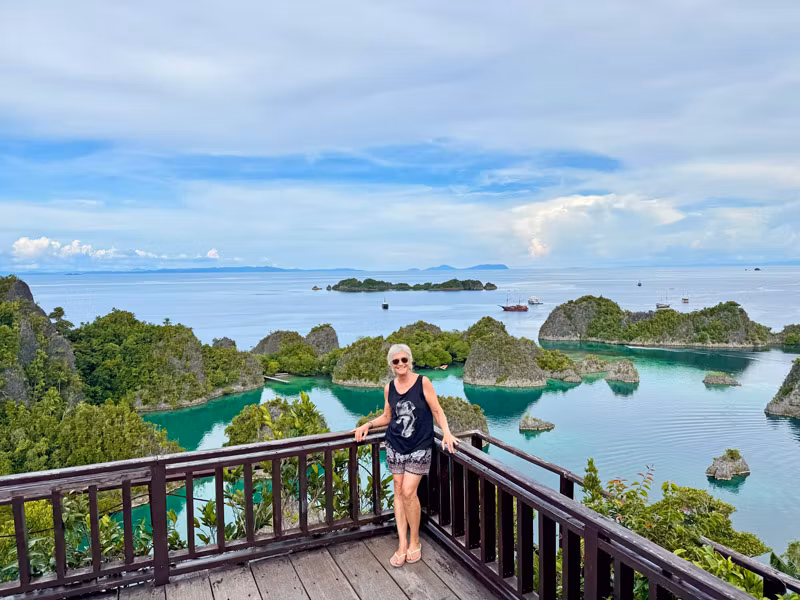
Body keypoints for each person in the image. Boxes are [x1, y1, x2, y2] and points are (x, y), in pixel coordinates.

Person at [353, 343, 459, 567]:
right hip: (394, 444)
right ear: (391, 365)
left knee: (410, 492)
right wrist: (368, 425)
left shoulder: (423, 382)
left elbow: (437, 410)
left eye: (404, 360)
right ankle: (402, 544)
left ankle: (415, 540)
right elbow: (387, 416)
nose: (400, 364)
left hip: (420, 445)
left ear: (409, 361)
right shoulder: (389, 388)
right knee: (399, 492)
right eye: (396, 361)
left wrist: (447, 433)